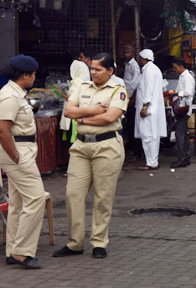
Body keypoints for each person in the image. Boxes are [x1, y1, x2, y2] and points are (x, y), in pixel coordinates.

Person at [53, 53, 128, 260]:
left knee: (103, 197)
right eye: (92, 68)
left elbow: (110, 117)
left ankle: (99, 242)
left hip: (107, 147)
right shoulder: (82, 86)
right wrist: (92, 111)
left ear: (110, 71)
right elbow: (69, 111)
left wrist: (83, 117)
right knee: (72, 194)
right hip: (81, 147)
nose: (93, 72)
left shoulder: (118, 89)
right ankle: (75, 242)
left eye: (98, 69)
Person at [0, 54, 45, 270]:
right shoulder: (10, 96)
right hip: (17, 152)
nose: (34, 78)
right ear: (25, 75)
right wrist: (15, 156)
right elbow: (2, 130)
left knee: (18, 203)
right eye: (33, 74)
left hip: (22, 150)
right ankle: (22, 252)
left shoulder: (16, 93)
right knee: (36, 198)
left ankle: (13, 250)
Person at [134, 49, 166, 170]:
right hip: (152, 108)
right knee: (151, 135)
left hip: (149, 109)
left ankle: (151, 162)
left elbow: (148, 89)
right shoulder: (153, 69)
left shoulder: (149, 71)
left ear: (143, 59)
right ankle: (152, 161)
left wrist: (145, 106)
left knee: (148, 136)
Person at [168, 58, 195, 168]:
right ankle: (185, 157)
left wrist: (175, 93)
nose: (174, 70)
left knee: (180, 134)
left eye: (175, 67)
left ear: (181, 66)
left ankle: (182, 158)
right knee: (183, 134)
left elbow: (188, 91)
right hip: (182, 108)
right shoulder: (183, 76)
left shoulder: (187, 77)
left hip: (184, 108)